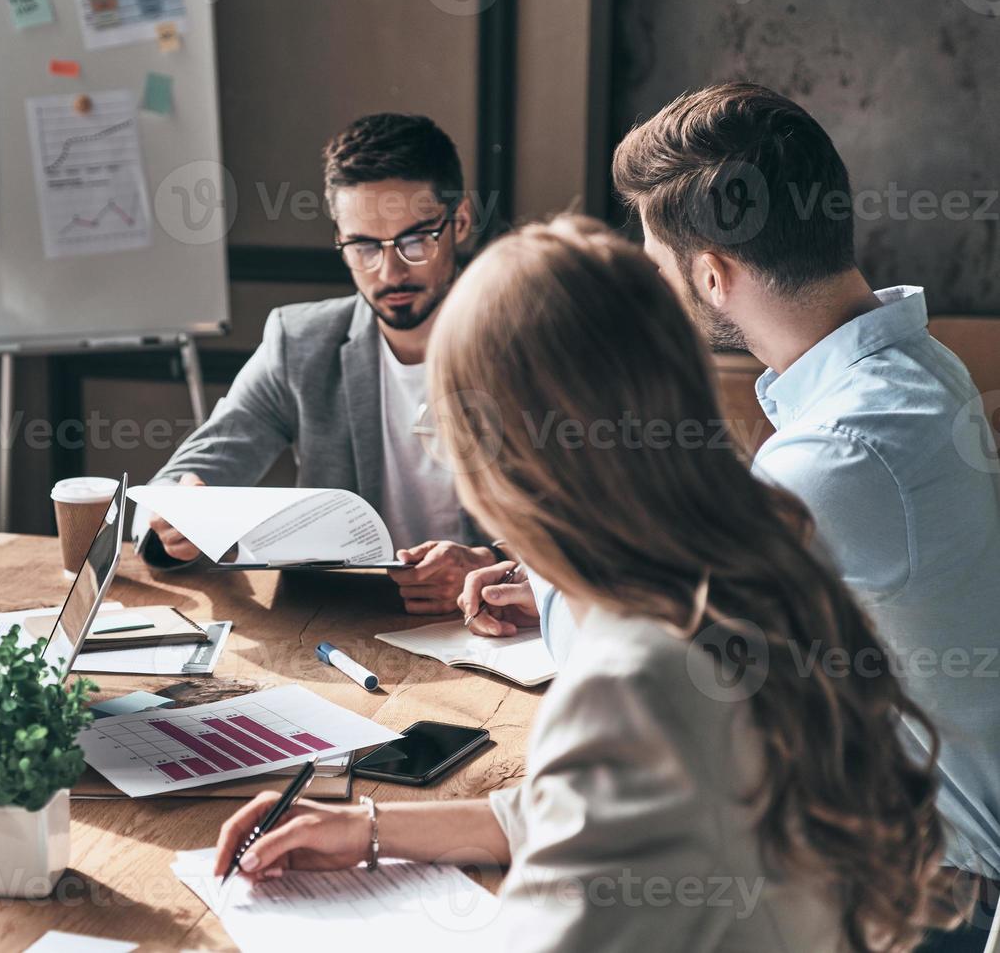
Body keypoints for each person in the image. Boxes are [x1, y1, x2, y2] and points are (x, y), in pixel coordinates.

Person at [214, 216, 952, 951]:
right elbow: (587, 810)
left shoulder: (635, 681)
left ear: (502, 457)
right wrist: (372, 829)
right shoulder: (749, 562)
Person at [463, 82, 998, 947]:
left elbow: (641, 669)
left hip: (925, 896)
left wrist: (555, 552)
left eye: (656, 263)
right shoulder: (911, 368)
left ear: (711, 275)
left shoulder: (843, 452)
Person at [138, 113, 508, 613]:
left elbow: (592, 523)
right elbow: (182, 478)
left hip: (491, 626)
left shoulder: (524, 341)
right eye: (362, 246)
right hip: (341, 624)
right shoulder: (301, 343)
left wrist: (490, 559)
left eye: (415, 240)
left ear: (460, 220)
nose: (389, 269)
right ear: (339, 236)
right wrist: (173, 521)